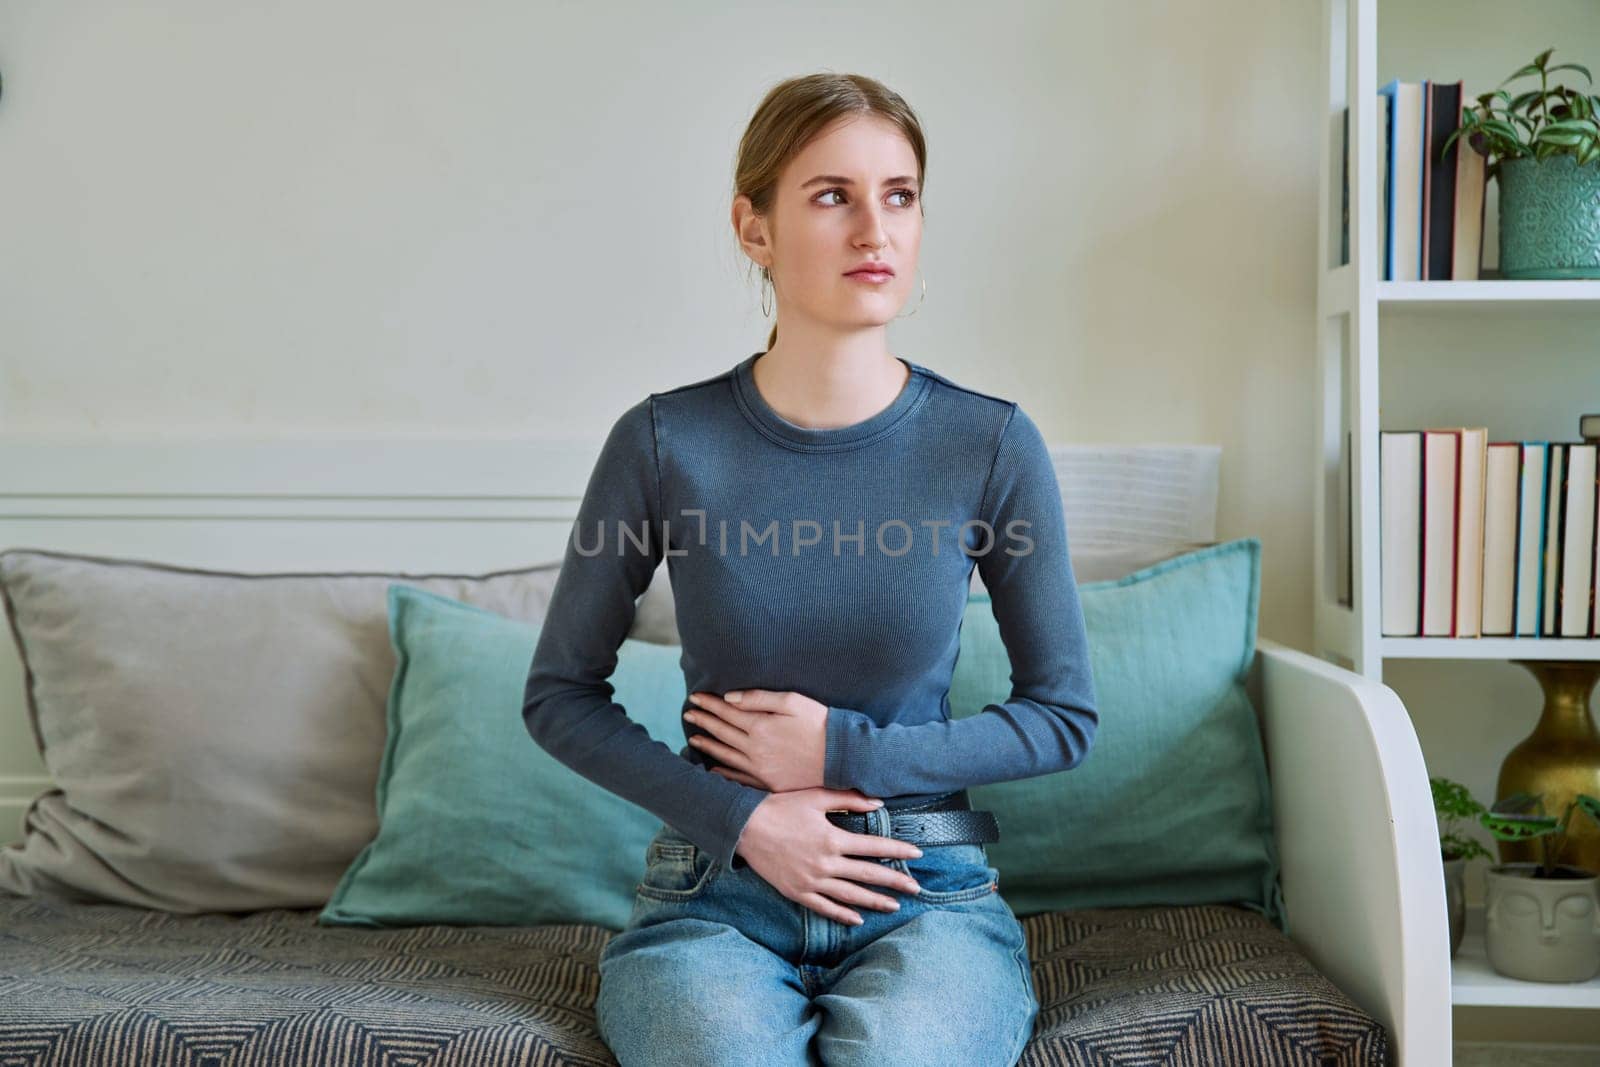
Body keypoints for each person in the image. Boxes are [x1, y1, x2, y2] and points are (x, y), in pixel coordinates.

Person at [522, 71, 1098, 1067]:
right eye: (831, 195)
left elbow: (1063, 716)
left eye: (900, 194)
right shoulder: (662, 442)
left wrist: (843, 753)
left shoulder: (990, 444)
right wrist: (743, 817)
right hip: (715, 895)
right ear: (753, 228)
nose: (874, 229)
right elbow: (559, 697)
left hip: (927, 895)